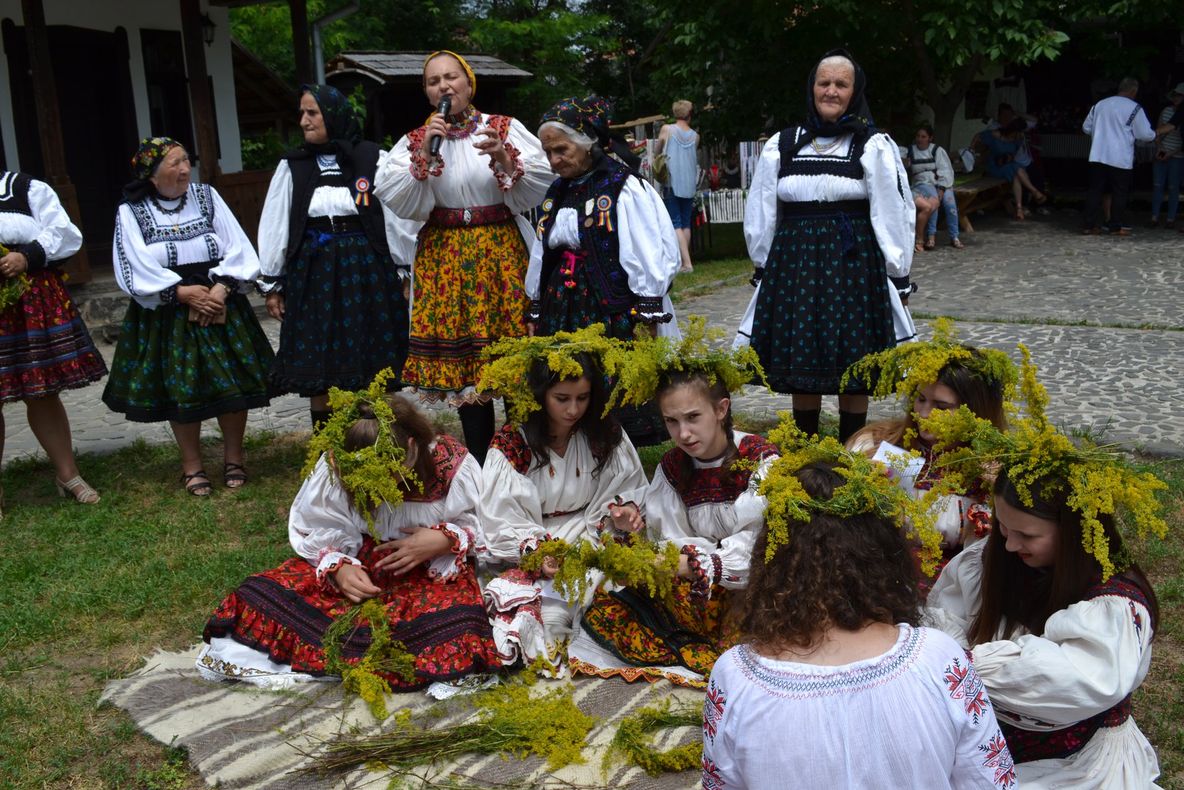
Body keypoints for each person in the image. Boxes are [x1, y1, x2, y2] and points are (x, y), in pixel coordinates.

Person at [702, 458, 1014, 789]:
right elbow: (990, 782)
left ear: (771, 558)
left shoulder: (736, 678)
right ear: (882, 554)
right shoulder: (940, 662)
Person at [198, 389, 500, 692]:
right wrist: (338, 566)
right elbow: (318, 521)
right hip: (361, 562)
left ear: (411, 446)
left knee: (458, 627)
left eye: (389, 472)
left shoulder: (450, 461)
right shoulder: (338, 460)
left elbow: (488, 519)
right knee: (257, 593)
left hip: (432, 572)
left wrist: (444, 539)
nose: (380, 484)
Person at [926, 467, 1162, 788]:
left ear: (1073, 531)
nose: (1010, 545)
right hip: (981, 737)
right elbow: (946, 615)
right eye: (1004, 528)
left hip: (1075, 762)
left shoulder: (1115, 607)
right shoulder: (994, 558)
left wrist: (958, 664)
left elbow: (1063, 680)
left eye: (1027, 535)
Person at [568, 328, 778, 686]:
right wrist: (631, 526)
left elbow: (757, 546)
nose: (683, 434)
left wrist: (692, 564)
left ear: (721, 409)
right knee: (610, 604)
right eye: (671, 421)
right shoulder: (673, 466)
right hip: (698, 582)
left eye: (693, 417)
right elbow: (668, 533)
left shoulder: (759, 461)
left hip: (754, 584)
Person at [375, 50, 552, 465]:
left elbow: (535, 187)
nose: (443, 87)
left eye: (451, 78)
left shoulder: (501, 128)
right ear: (426, 91)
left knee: (509, 357)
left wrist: (505, 159)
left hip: (500, 254)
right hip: (446, 257)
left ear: (469, 84)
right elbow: (399, 198)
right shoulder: (416, 141)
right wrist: (422, 160)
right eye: (434, 81)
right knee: (469, 372)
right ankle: (481, 462)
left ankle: (528, 456)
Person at [735, 49, 916, 446]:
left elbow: (893, 211)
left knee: (853, 355)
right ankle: (805, 449)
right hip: (795, 264)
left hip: (853, 265)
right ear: (812, 88)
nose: (831, 91)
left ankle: (851, 449)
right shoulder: (782, 145)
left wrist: (898, 273)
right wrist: (764, 264)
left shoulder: (873, 145)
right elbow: (763, 208)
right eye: (824, 83)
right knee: (804, 352)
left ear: (855, 91)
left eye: (841, 84)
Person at [103, 138, 274, 495]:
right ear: (151, 174)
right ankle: (192, 466)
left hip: (218, 300)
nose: (183, 170)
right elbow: (131, 263)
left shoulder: (207, 197)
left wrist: (221, 287)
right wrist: (179, 293)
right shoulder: (131, 210)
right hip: (170, 311)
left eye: (185, 161)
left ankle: (234, 458)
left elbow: (238, 245)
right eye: (173, 163)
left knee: (233, 385)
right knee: (183, 390)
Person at [477, 335, 646, 674]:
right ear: (540, 396)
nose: (573, 410)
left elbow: (622, 486)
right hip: (539, 537)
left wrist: (621, 512)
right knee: (539, 614)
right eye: (562, 399)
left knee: (622, 595)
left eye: (583, 398)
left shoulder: (602, 433)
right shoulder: (515, 442)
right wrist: (537, 550)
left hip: (591, 530)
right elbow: (501, 515)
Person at [257, 85, 414, 428]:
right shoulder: (293, 166)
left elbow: (396, 217)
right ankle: (327, 446)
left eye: (312, 113)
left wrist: (403, 270)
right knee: (320, 355)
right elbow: (276, 222)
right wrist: (272, 282)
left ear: (333, 115)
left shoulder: (374, 158)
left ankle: (377, 441)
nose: (304, 121)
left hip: (367, 270)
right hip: (313, 272)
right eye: (302, 113)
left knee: (373, 355)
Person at [845, 318, 1016, 581]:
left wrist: (1001, 491)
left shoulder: (1000, 468)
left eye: (942, 407)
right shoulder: (875, 446)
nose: (924, 414)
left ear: (976, 411)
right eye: (920, 399)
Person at [528, 95, 680, 340]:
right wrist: (536, 306)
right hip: (561, 304)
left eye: (561, 150)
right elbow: (541, 250)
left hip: (612, 307)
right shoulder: (557, 191)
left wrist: (648, 311)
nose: (554, 160)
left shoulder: (622, 186)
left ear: (587, 143)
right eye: (548, 152)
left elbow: (648, 249)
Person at [0, 170, 108, 508]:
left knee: (42, 390)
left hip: (29, 301)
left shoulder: (22, 188)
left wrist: (25, 256)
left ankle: (67, 474)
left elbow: (64, 233)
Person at [1081, 77, 1156, 236]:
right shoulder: (1135, 108)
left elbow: (1086, 127)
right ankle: (1115, 226)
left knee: (1095, 190)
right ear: (1134, 91)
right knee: (1119, 192)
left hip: (1098, 154)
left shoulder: (1100, 105)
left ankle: (1089, 225)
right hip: (1120, 157)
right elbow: (1145, 134)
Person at [656, 99, 699, 273]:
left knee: (675, 223)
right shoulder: (695, 135)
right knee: (685, 222)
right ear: (689, 114)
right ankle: (682, 261)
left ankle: (686, 263)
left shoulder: (667, 129)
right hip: (689, 183)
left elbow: (658, 150)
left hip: (672, 182)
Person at [906, 123, 963, 250]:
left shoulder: (937, 150)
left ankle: (954, 236)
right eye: (918, 136)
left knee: (950, 205)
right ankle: (931, 235)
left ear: (930, 138)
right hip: (922, 184)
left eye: (923, 136)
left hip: (942, 183)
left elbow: (946, 170)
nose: (920, 139)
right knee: (934, 202)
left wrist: (942, 188)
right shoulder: (911, 150)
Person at [977, 119, 1048, 220]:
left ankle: (1019, 209)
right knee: (1017, 168)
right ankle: (1034, 192)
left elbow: (1013, 155)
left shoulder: (1018, 139)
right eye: (1020, 132)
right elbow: (978, 136)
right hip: (994, 166)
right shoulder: (995, 134)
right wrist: (972, 149)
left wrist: (1008, 158)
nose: (1022, 134)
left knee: (1016, 173)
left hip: (1007, 165)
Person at [1150, 83, 1183, 229]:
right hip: (1163, 151)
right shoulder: (1166, 111)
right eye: (1175, 95)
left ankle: (1170, 219)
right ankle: (1154, 217)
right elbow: (1159, 131)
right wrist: (1161, 150)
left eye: (1179, 95)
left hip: (1178, 155)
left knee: (1173, 187)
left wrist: (1171, 153)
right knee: (1157, 185)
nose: (1176, 97)